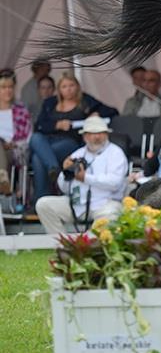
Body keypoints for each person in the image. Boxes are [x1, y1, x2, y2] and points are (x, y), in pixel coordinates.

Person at [30, 72, 119, 201]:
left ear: (77, 87)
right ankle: (53, 168)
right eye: (64, 86)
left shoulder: (85, 100)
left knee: (37, 157)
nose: (68, 89)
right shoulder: (50, 102)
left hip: (71, 141)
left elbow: (113, 111)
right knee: (35, 138)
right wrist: (57, 125)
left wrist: (96, 113)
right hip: (49, 140)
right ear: (59, 89)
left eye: (71, 85)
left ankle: (40, 199)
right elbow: (39, 125)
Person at [35, 115, 128, 234]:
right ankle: (61, 245)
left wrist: (85, 178)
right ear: (85, 136)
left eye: (101, 133)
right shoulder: (77, 154)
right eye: (93, 133)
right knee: (43, 204)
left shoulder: (115, 153)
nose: (97, 137)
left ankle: (91, 246)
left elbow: (114, 183)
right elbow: (64, 188)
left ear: (106, 134)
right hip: (77, 204)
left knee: (111, 214)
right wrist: (66, 173)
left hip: (104, 204)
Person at [0, 69, 32, 197]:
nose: (8, 90)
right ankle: (2, 179)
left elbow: (28, 136)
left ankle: (2, 178)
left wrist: (14, 144)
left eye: (10, 87)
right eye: (3, 87)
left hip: (16, 151)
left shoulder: (21, 110)